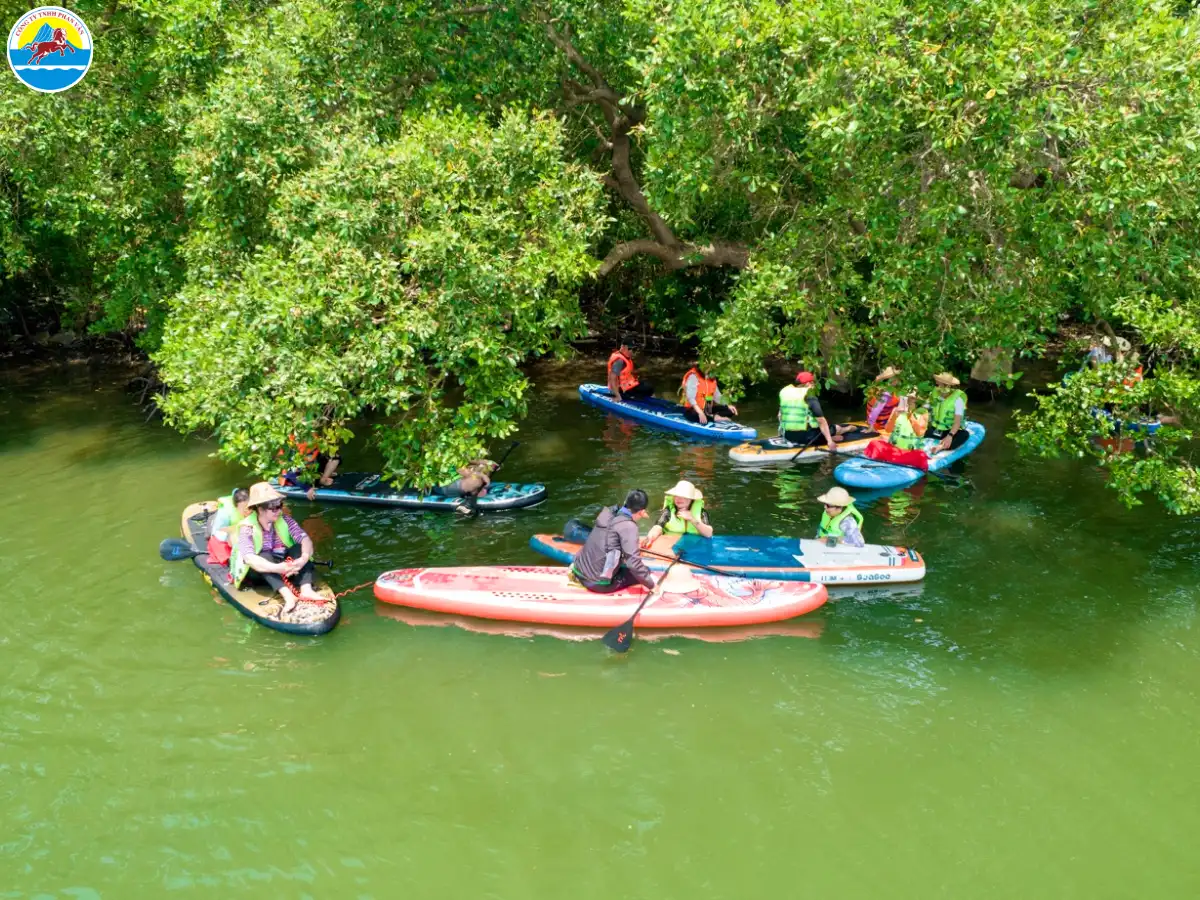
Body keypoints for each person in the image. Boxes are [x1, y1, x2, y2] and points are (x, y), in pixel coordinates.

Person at [228, 482, 325, 614]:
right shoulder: (247, 528)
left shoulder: (284, 519)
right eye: (274, 508)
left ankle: (306, 589)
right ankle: (287, 595)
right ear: (260, 509)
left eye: (280, 506)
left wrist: (303, 558)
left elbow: (305, 539)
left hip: (286, 567)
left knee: (298, 548)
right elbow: (249, 558)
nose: (279, 511)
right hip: (261, 572)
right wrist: (278, 568)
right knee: (263, 555)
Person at [569, 489, 659, 593]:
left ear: (626, 502)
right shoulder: (629, 527)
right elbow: (633, 564)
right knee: (645, 571)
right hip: (597, 583)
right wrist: (652, 586)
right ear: (642, 512)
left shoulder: (608, 513)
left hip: (578, 571)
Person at [778, 371, 852, 453]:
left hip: (788, 435)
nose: (813, 385)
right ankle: (848, 428)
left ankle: (829, 436)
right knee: (837, 429)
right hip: (808, 438)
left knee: (828, 430)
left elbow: (779, 415)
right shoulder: (810, 398)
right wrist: (829, 441)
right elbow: (821, 421)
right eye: (812, 383)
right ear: (808, 384)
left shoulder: (785, 394)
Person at [642, 480, 713, 547]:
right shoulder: (669, 510)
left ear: (691, 499)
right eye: (676, 495)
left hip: (695, 545)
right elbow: (658, 526)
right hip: (671, 544)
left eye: (683, 496)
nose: (678, 499)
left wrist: (692, 519)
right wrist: (650, 537)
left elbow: (708, 534)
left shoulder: (701, 512)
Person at [206, 487, 250, 566]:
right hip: (223, 532)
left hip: (241, 531)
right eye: (244, 509)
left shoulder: (257, 508)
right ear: (236, 507)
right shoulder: (225, 514)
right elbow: (219, 533)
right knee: (224, 554)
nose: (248, 511)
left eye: (250, 507)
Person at [927, 372, 968, 451]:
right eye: (937, 383)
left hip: (949, 430)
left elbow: (957, 422)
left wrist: (950, 436)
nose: (936, 384)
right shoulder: (934, 393)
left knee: (964, 435)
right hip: (935, 428)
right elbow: (927, 408)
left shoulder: (958, 400)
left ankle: (940, 447)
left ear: (947, 385)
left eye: (938, 383)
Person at [433, 459, 498, 499]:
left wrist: (487, 462)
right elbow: (461, 470)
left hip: (455, 477)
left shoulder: (458, 445)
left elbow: (467, 459)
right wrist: (481, 475)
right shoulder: (448, 448)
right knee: (477, 479)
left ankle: (475, 490)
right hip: (444, 485)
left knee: (484, 467)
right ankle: (474, 492)